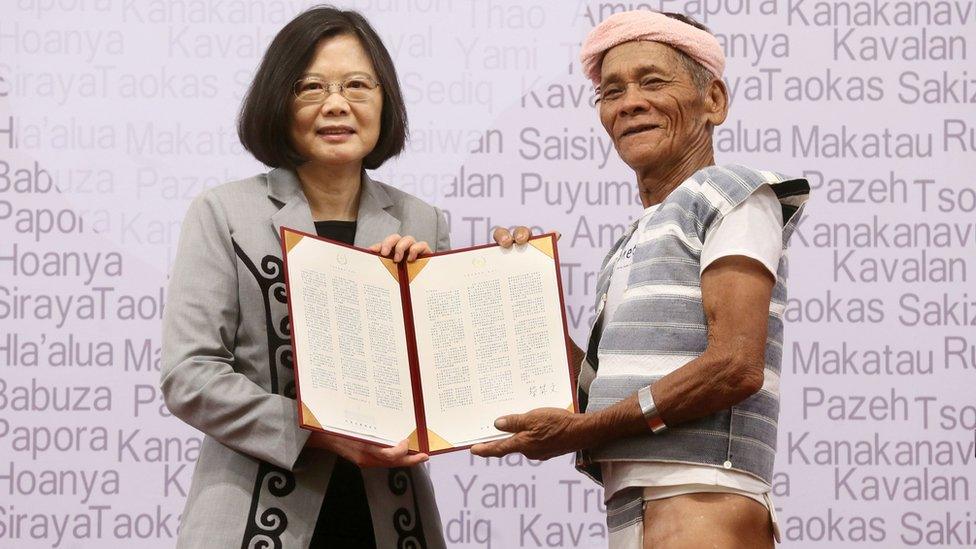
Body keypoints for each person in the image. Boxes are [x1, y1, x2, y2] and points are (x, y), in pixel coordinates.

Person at [477, 10, 810, 549]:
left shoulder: (735, 192)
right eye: (612, 91)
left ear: (714, 101)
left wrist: (582, 433)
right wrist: (517, 298)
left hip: (700, 502)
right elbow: (593, 395)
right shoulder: (636, 236)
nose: (629, 101)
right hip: (635, 509)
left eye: (653, 81)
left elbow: (735, 367)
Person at [161, 7, 456, 548]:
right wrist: (317, 431)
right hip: (253, 518)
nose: (337, 104)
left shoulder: (422, 223)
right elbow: (189, 375)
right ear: (279, 100)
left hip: (392, 519)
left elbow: (444, 389)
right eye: (311, 87)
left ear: (384, 100)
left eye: (357, 85)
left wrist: (493, 278)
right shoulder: (224, 213)